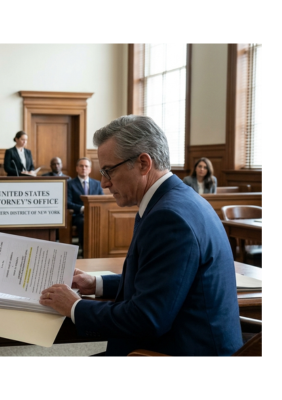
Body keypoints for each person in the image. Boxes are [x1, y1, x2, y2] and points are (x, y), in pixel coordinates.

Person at [40, 115, 242, 356]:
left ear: (143, 164)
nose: (103, 183)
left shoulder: (169, 217)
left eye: (108, 171)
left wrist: (74, 306)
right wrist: (96, 283)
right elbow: (162, 280)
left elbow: (147, 319)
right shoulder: (176, 200)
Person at [67, 157, 103, 255]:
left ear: (90, 169)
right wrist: (82, 208)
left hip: (96, 215)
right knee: (84, 222)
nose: (84, 168)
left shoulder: (97, 184)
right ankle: (85, 251)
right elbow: (67, 202)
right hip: (78, 216)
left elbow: (102, 201)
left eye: (86, 166)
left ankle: (100, 251)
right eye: (81, 166)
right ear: (77, 168)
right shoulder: (70, 184)